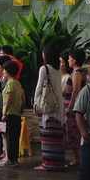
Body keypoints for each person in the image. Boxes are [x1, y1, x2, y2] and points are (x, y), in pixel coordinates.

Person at [34, 43, 66, 171]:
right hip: (58, 105)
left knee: (47, 136)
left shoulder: (44, 69)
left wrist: (36, 104)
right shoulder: (58, 69)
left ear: (46, 55)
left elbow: (39, 87)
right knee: (56, 137)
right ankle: (57, 162)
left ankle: (47, 163)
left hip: (48, 106)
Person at [0, 60, 25, 167]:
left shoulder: (10, 84)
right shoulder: (18, 83)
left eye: (4, 70)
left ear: (8, 71)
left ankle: (9, 160)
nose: (3, 72)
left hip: (9, 114)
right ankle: (14, 160)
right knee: (15, 138)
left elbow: (8, 100)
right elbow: (23, 99)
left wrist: (4, 113)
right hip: (17, 114)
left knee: (8, 137)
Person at [65, 49, 88, 167]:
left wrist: (70, 107)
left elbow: (75, 91)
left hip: (74, 107)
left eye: (69, 58)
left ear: (74, 60)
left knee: (74, 133)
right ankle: (77, 158)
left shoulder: (77, 73)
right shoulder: (78, 72)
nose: (68, 60)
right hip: (74, 106)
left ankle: (79, 158)